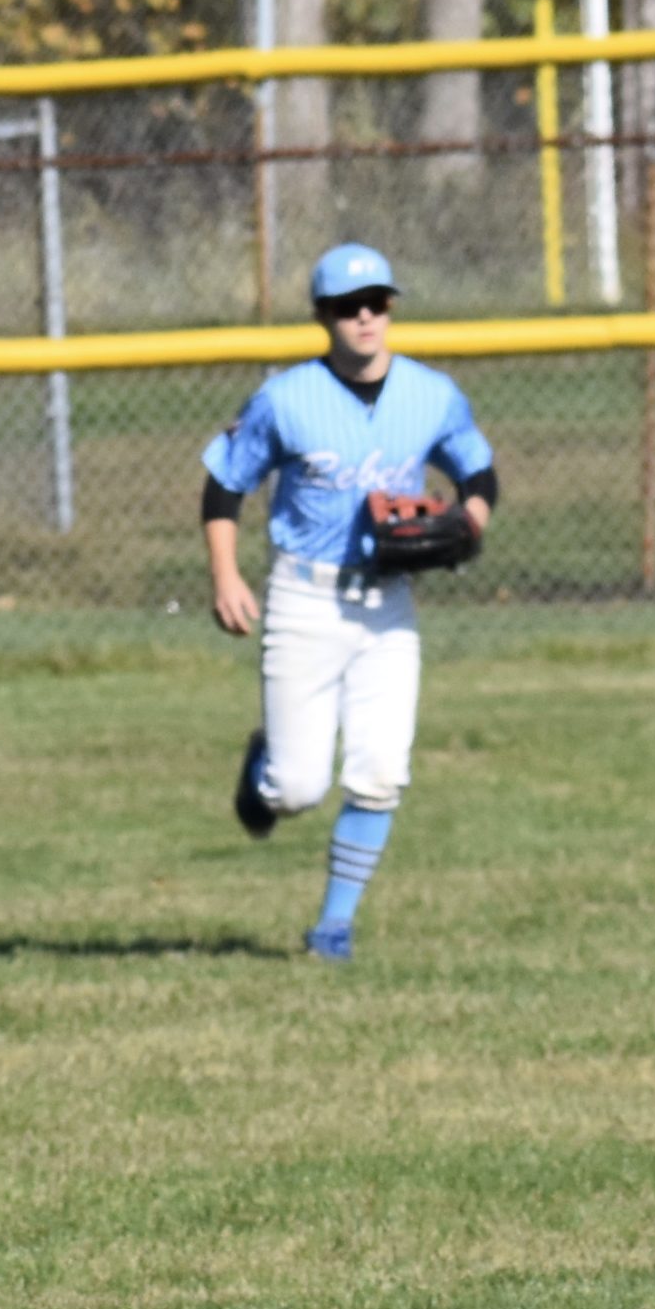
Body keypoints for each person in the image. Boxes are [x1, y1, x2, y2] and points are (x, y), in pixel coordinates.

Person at [202, 243, 498, 962]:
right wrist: (226, 575)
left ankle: (333, 926)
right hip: (306, 598)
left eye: (377, 303)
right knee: (298, 787)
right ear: (322, 317)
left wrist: (470, 522)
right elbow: (224, 484)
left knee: (381, 769)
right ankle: (265, 769)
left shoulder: (431, 394)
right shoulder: (285, 398)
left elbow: (479, 469)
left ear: (391, 308)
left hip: (388, 606)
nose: (364, 317)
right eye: (346, 307)